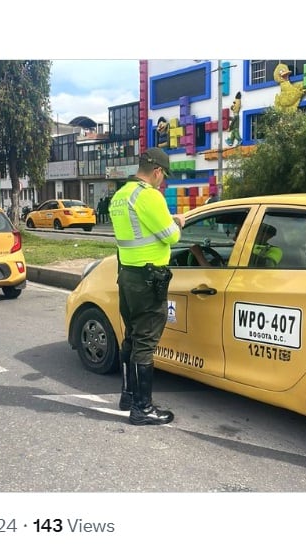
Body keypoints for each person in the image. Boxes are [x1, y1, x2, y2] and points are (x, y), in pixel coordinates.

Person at [109, 148, 185, 425]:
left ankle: (128, 396)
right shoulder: (150, 195)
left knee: (131, 336)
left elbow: (137, 232)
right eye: (163, 175)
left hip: (127, 275)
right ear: (156, 171)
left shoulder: (120, 196)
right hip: (149, 279)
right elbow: (170, 237)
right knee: (145, 342)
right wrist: (179, 223)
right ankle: (143, 409)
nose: (162, 181)